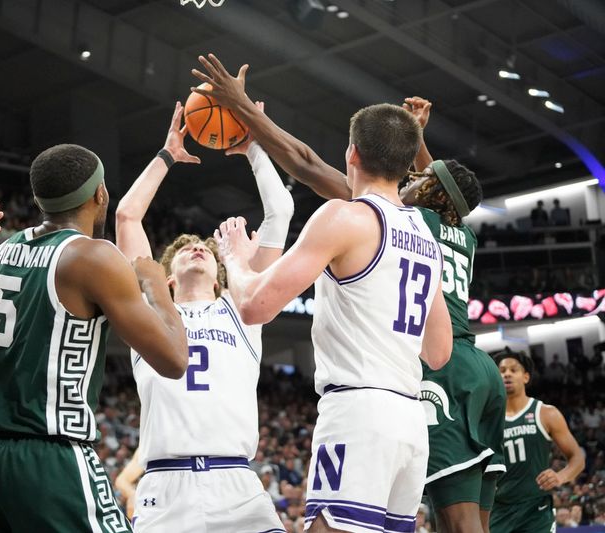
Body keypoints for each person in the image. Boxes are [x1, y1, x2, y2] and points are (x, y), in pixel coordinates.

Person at [200, 61, 451, 533]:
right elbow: (438, 352)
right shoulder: (424, 234)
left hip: (358, 412)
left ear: (352, 153)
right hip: (410, 423)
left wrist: (233, 256)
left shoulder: (343, 217)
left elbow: (253, 306)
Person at [0, 143, 188, 533]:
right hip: (51, 458)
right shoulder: (94, 256)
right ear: (100, 194)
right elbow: (175, 360)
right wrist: (157, 290)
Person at [115, 102, 293, 533]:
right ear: (168, 279)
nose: (196, 248)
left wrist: (254, 148)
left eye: (205, 249)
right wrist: (166, 156)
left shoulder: (242, 308)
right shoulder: (152, 311)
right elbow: (126, 215)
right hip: (164, 485)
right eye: (182, 249)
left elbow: (280, 213)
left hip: (236, 484)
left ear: (219, 277)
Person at [399, 97, 507, 533]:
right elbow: (442, 187)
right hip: (481, 368)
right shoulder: (464, 234)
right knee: (465, 525)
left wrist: (407, 136)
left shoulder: (415, 219)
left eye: (419, 177)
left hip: (446, 368)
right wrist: (420, 138)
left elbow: (428, 186)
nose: (412, 177)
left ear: (430, 194)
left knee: (460, 527)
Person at [489, 351, 585, 533]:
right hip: (499, 509)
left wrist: (560, 477)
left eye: (513, 370)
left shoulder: (546, 413)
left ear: (526, 377)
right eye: (501, 370)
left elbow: (577, 457)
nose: (506, 374)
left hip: (536, 509)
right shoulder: (489, 420)